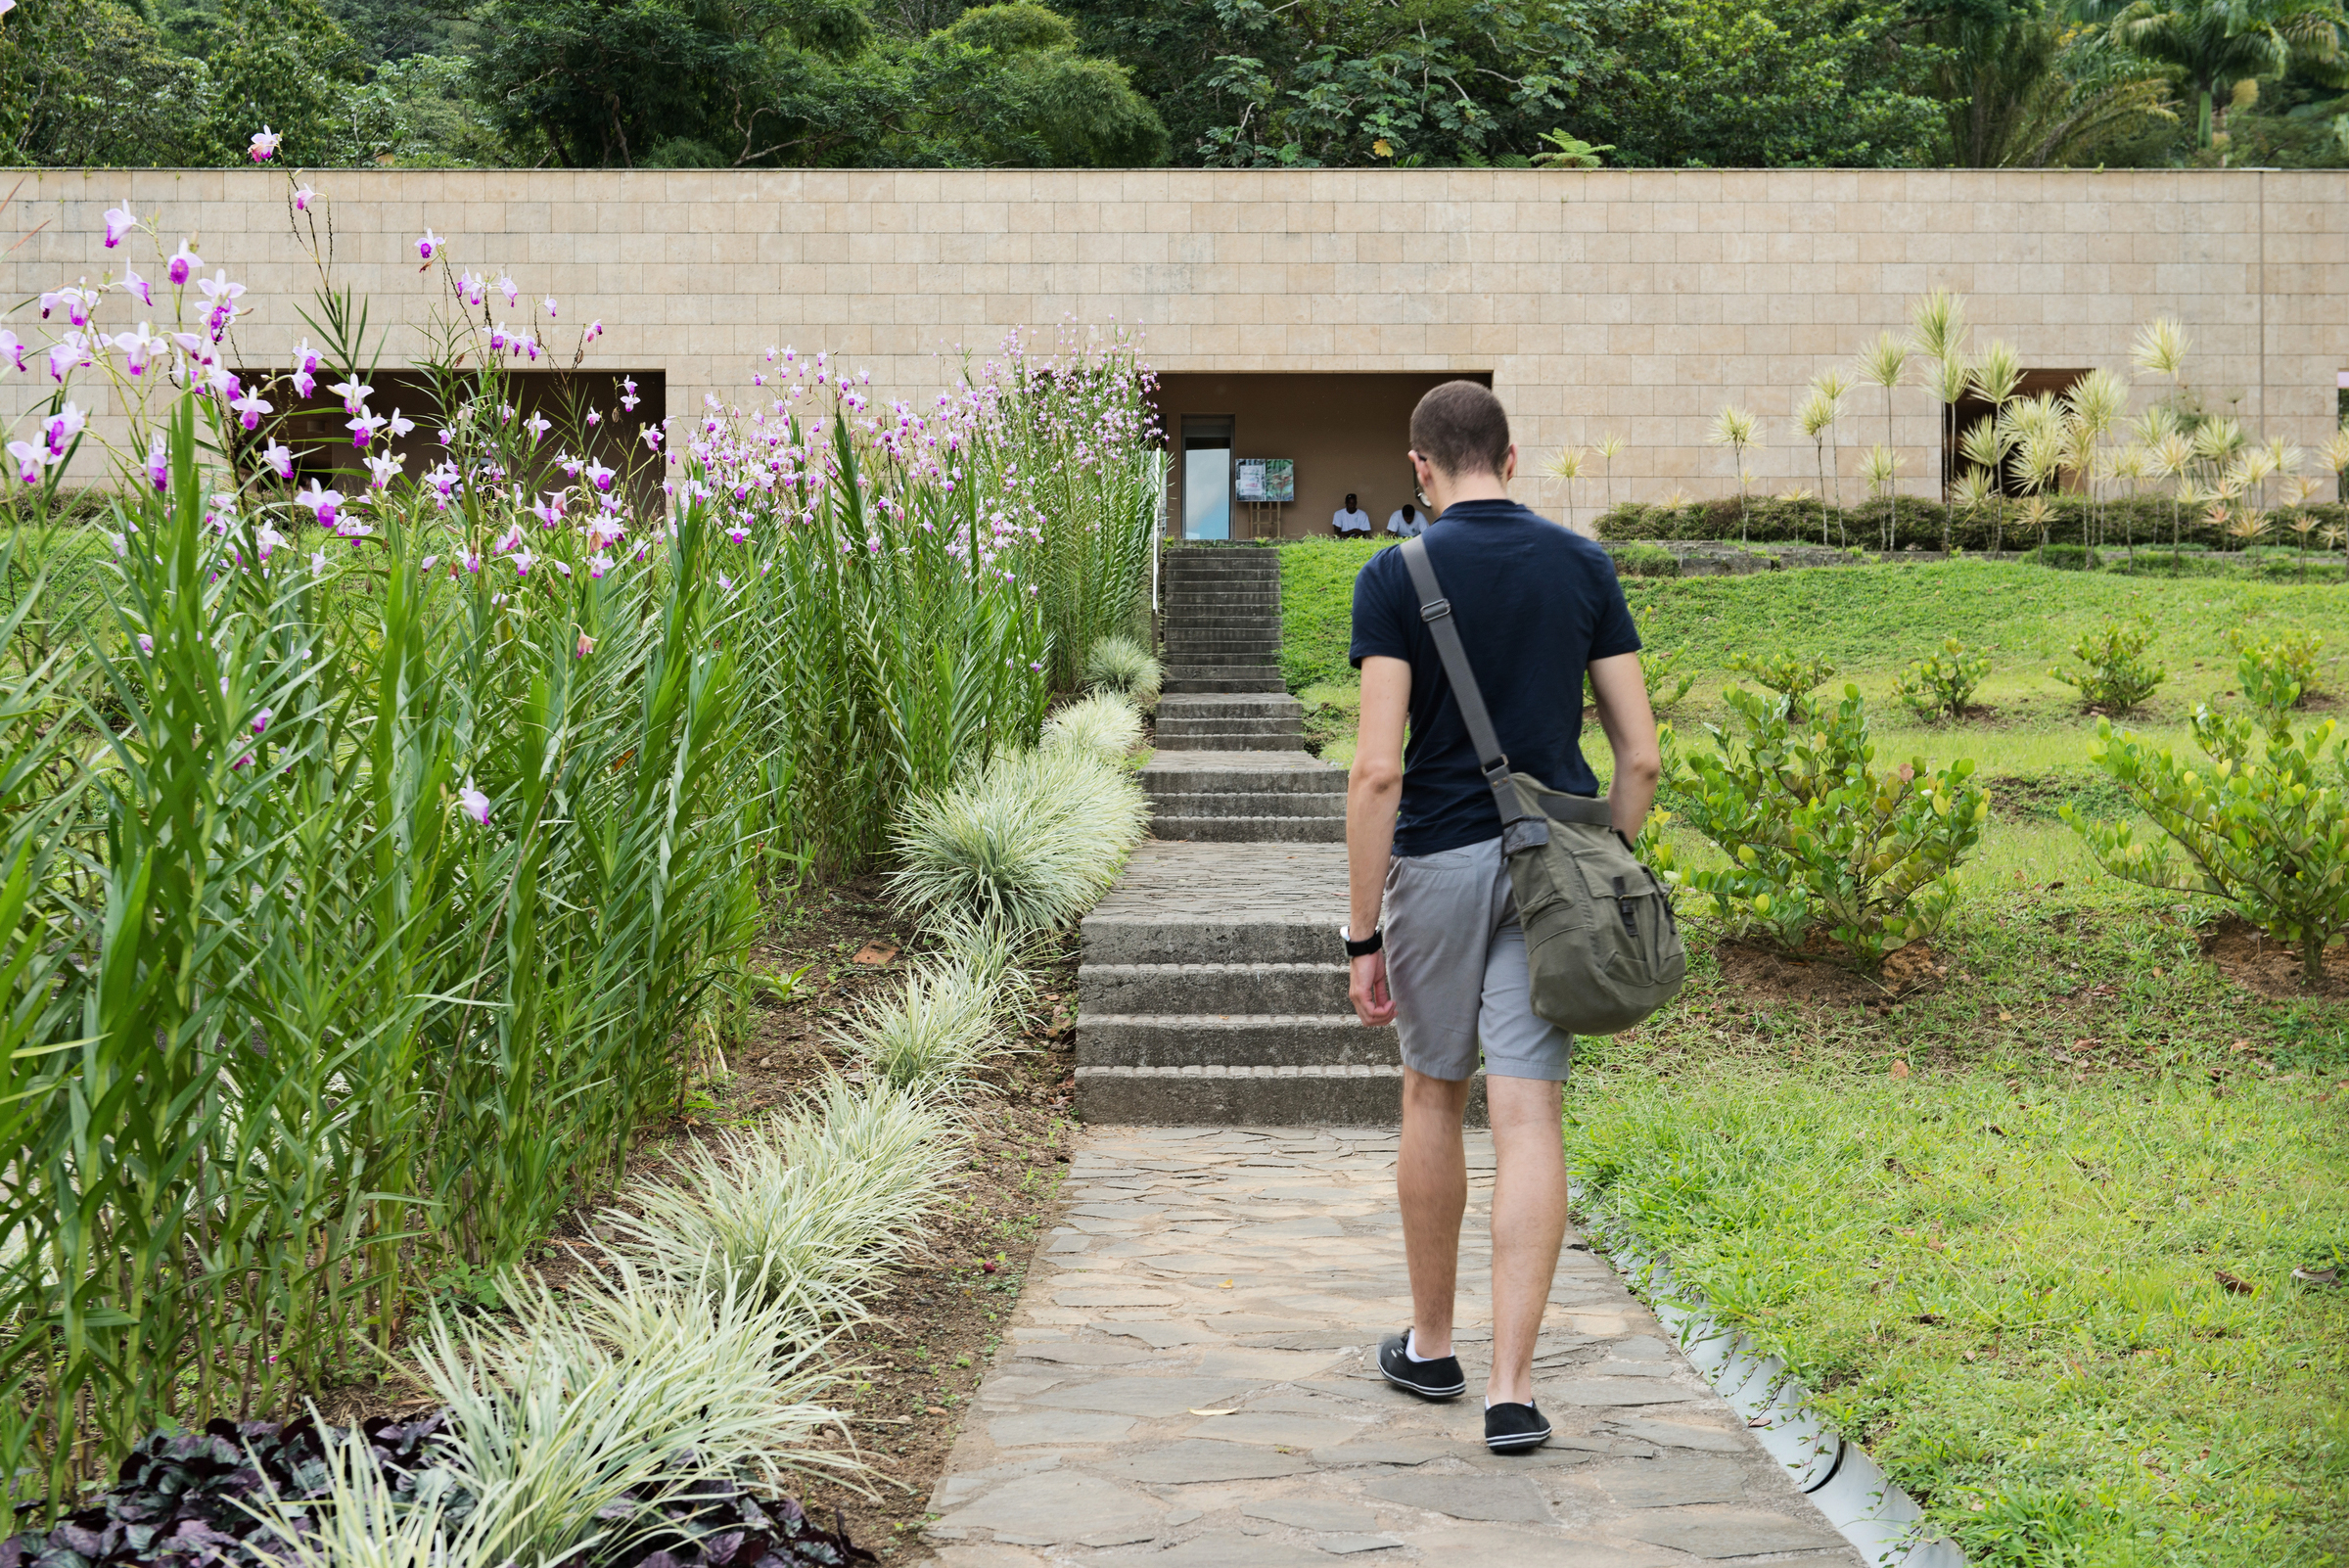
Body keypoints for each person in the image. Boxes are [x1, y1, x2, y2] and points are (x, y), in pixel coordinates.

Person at [1341, 380, 1662, 1455]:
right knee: (1532, 1119)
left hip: (1435, 864)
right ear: (1513, 460)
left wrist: (1361, 931)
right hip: (1552, 867)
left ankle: (1433, 1348)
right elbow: (1643, 755)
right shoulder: (1584, 566)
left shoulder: (1396, 573)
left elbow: (1378, 769)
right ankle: (1513, 1393)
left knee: (1435, 1096)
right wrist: (1605, 865)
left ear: (1420, 468)